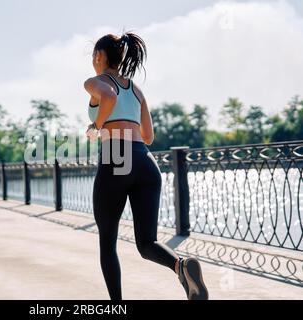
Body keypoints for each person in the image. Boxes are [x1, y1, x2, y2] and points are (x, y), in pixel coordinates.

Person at [83, 32, 208, 300]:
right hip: (144, 160)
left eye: (93, 55)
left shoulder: (95, 82)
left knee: (107, 242)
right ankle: (181, 266)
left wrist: (97, 125)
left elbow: (108, 97)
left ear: (99, 56)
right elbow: (149, 136)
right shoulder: (136, 90)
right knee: (146, 243)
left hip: (117, 156)